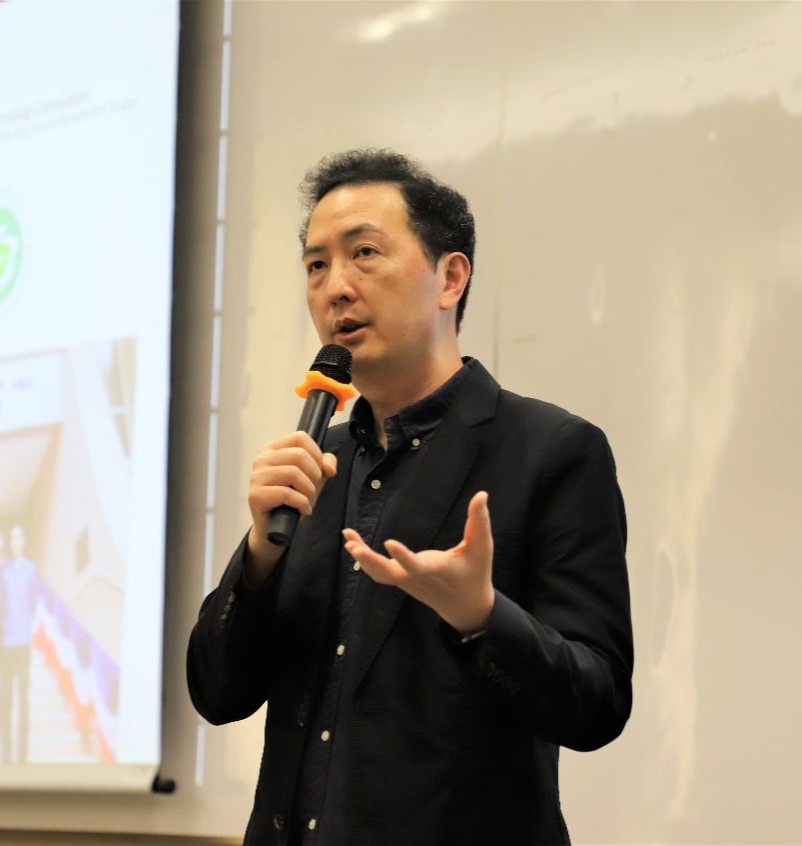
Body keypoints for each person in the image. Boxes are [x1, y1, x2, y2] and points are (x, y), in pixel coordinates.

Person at [187, 150, 633, 846]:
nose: (335, 287)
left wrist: (481, 617)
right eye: (316, 266)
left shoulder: (551, 452)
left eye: (364, 253)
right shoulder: (313, 463)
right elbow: (217, 695)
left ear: (450, 278)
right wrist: (259, 558)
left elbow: (597, 703)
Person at [0, 523, 38, 763]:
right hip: (6, 643)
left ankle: (22, 753)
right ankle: (6, 751)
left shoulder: (31, 569)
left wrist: (28, 626)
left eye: (18, 537)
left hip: (23, 642)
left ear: (23, 542)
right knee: (6, 699)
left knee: (23, 698)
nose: (15, 542)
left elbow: (34, 602)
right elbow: (0, 604)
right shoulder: (3, 572)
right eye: (12, 538)